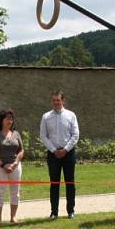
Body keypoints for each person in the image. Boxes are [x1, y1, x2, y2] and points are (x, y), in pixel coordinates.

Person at [40, 90, 79, 219]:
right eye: (54, 100)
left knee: (70, 183)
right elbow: (43, 136)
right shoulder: (46, 117)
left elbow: (75, 135)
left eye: (58, 100)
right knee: (54, 184)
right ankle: (54, 212)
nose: (56, 103)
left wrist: (65, 149)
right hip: (53, 154)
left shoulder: (71, 115)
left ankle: (71, 211)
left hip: (68, 153)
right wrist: (53, 150)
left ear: (63, 101)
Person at [0, 109, 24, 224]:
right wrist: (3, 165)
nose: (9, 120)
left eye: (11, 118)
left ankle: (13, 217)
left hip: (15, 167)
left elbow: (21, 150)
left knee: (15, 192)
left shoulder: (16, 134)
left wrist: (15, 163)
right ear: (1, 120)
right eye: (7, 118)